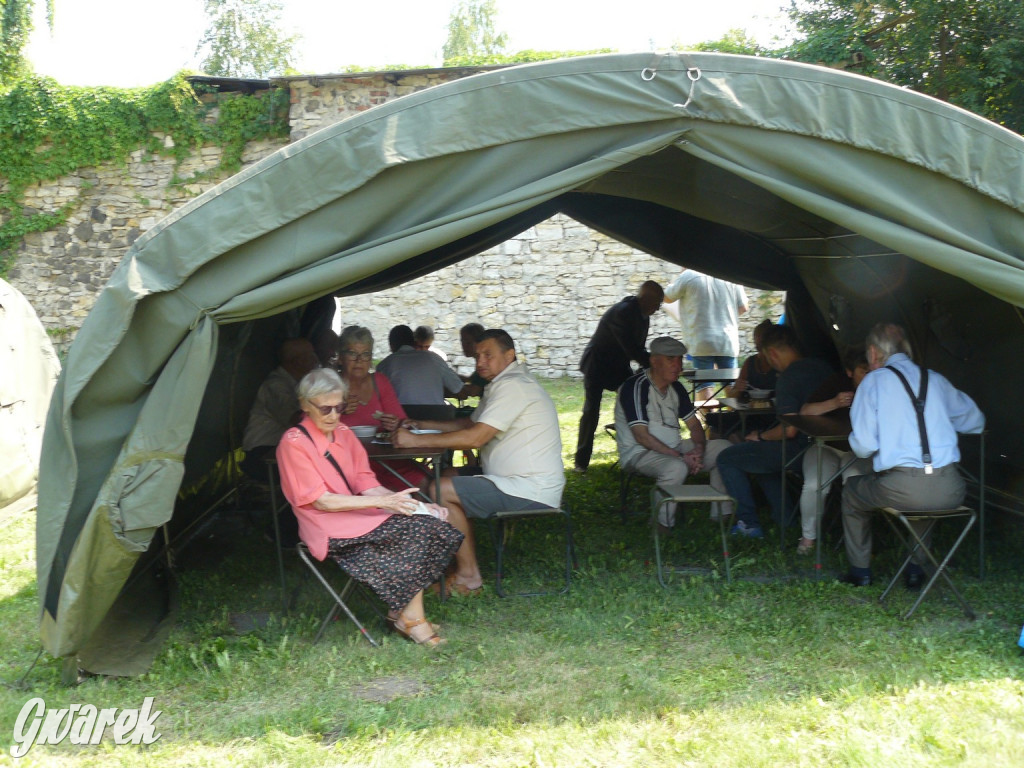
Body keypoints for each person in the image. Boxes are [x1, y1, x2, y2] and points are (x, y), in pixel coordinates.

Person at [276, 368, 463, 647]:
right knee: (413, 532)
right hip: (325, 523)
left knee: (432, 524)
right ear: (305, 405)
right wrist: (383, 503)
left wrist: (409, 504)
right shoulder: (293, 443)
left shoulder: (343, 433)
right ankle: (411, 620)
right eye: (325, 408)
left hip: (357, 513)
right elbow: (322, 501)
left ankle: (402, 613)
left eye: (339, 407)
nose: (333, 415)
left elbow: (366, 481)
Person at [392, 329, 565, 595]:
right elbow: (468, 423)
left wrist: (412, 441)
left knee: (441, 488)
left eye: (488, 355)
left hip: (529, 488)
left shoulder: (513, 386)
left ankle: (469, 577)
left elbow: (475, 437)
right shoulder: (503, 382)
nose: (480, 362)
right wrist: (420, 425)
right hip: (512, 480)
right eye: (477, 356)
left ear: (509, 355)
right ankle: (452, 559)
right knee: (445, 475)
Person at [838, 323, 984, 588]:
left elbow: (863, 447)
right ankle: (916, 569)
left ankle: (860, 572)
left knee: (852, 492)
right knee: (924, 502)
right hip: (951, 489)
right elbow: (975, 421)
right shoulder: (934, 379)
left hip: (903, 487)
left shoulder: (874, 381)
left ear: (873, 352)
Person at [715, 324, 835, 538]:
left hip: (801, 450)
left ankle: (748, 522)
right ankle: (785, 519)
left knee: (727, 458)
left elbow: (789, 431)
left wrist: (761, 436)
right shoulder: (823, 367)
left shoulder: (789, 378)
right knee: (760, 456)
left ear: (771, 353)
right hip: (830, 448)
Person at [614, 336, 734, 528]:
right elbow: (641, 436)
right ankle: (661, 525)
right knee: (676, 467)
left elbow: (694, 425)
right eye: (671, 359)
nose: (678, 366)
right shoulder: (635, 387)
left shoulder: (676, 387)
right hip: (640, 453)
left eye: (680, 359)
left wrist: (699, 450)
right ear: (654, 361)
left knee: (724, 449)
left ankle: (721, 515)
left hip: (675, 447)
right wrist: (681, 456)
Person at [574, 280, 664, 473]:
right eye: (657, 304)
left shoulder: (643, 315)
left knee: (635, 400)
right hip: (597, 365)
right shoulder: (623, 312)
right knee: (591, 411)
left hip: (617, 366)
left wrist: (649, 366)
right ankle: (581, 462)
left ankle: (635, 446)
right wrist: (655, 364)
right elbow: (631, 348)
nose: (658, 309)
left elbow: (638, 349)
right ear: (645, 299)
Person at [794, 348, 872, 555]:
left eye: (872, 370)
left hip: (858, 451)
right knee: (814, 484)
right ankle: (808, 537)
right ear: (849, 372)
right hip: (825, 446)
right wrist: (835, 403)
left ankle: (856, 541)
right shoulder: (836, 383)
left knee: (854, 482)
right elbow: (805, 412)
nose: (870, 376)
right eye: (864, 371)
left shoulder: (880, 388)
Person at [335, 325, 428, 491]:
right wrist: (337, 409)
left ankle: (422, 517)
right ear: (340, 357)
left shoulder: (379, 381)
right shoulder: (329, 384)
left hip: (386, 461)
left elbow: (403, 422)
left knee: (423, 481)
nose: (359, 360)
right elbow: (305, 423)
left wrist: (395, 424)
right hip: (346, 464)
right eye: (352, 354)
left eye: (365, 354)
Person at [240, 337, 320, 479]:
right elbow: (297, 419)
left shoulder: (297, 383)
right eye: (312, 355)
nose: (316, 360)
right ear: (298, 362)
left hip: (280, 450)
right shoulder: (276, 386)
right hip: (262, 455)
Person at [664, 269, 749, 400]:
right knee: (731, 385)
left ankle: (709, 419)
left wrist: (678, 276)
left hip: (701, 340)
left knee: (704, 385)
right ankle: (735, 418)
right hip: (727, 340)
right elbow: (743, 307)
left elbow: (667, 297)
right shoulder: (731, 275)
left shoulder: (689, 275)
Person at [705, 319, 778, 442]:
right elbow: (733, 396)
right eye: (756, 337)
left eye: (760, 337)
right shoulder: (751, 362)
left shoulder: (778, 364)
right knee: (714, 423)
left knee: (734, 435)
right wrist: (738, 388)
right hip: (749, 414)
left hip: (772, 416)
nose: (757, 341)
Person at [375, 324, 465, 405]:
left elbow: (377, 397)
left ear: (391, 345)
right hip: (435, 418)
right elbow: (458, 390)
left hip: (401, 419)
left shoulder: (385, 365)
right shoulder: (434, 358)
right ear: (413, 342)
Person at [457, 322, 487, 399]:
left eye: (468, 342)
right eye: (462, 341)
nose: (464, 346)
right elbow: (474, 380)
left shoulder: (485, 363)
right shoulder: (481, 362)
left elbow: (473, 391)